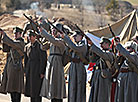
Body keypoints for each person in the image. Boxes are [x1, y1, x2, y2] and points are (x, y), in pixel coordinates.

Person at [39, 23, 66, 102]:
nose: (53, 32)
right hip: (51, 62)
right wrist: (41, 37)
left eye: (54, 30)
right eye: (52, 30)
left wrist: (44, 33)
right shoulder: (51, 40)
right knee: (51, 84)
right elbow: (43, 47)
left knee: (57, 83)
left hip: (57, 63)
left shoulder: (61, 41)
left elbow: (54, 41)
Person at [88, 36, 118, 102]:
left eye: (103, 43)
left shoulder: (110, 54)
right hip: (97, 75)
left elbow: (103, 55)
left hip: (104, 75)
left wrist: (92, 45)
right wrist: (91, 50)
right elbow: (92, 60)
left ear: (108, 44)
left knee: (102, 95)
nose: (101, 45)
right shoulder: (100, 52)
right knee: (95, 94)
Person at [61, 30, 88, 102]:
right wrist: (66, 42)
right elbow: (68, 53)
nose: (74, 37)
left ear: (81, 37)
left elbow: (76, 48)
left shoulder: (83, 45)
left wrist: (66, 39)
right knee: (72, 87)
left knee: (79, 88)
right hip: (73, 66)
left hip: (79, 67)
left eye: (76, 36)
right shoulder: (73, 44)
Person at [0, 27, 25, 102]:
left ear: (20, 34)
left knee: (17, 91)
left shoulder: (21, 43)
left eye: (16, 33)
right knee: (11, 90)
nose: (15, 35)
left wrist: (4, 35)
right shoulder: (14, 42)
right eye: (14, 33)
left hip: (17, 69)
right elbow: (6, 48)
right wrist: (2, 36)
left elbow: (12, 43)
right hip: (11, 69)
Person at [24, 30, 47, 102]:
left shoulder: (40, 46)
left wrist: (42, 72)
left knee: (37, 90)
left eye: (31, 36)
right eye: (28, 36)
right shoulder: (27, 46)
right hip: (30, 69)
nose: (29, 38)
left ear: (35, 37)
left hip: (37, 70)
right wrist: (26, 70)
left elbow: (43, 59)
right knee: (31, 90)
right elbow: (26, 60)